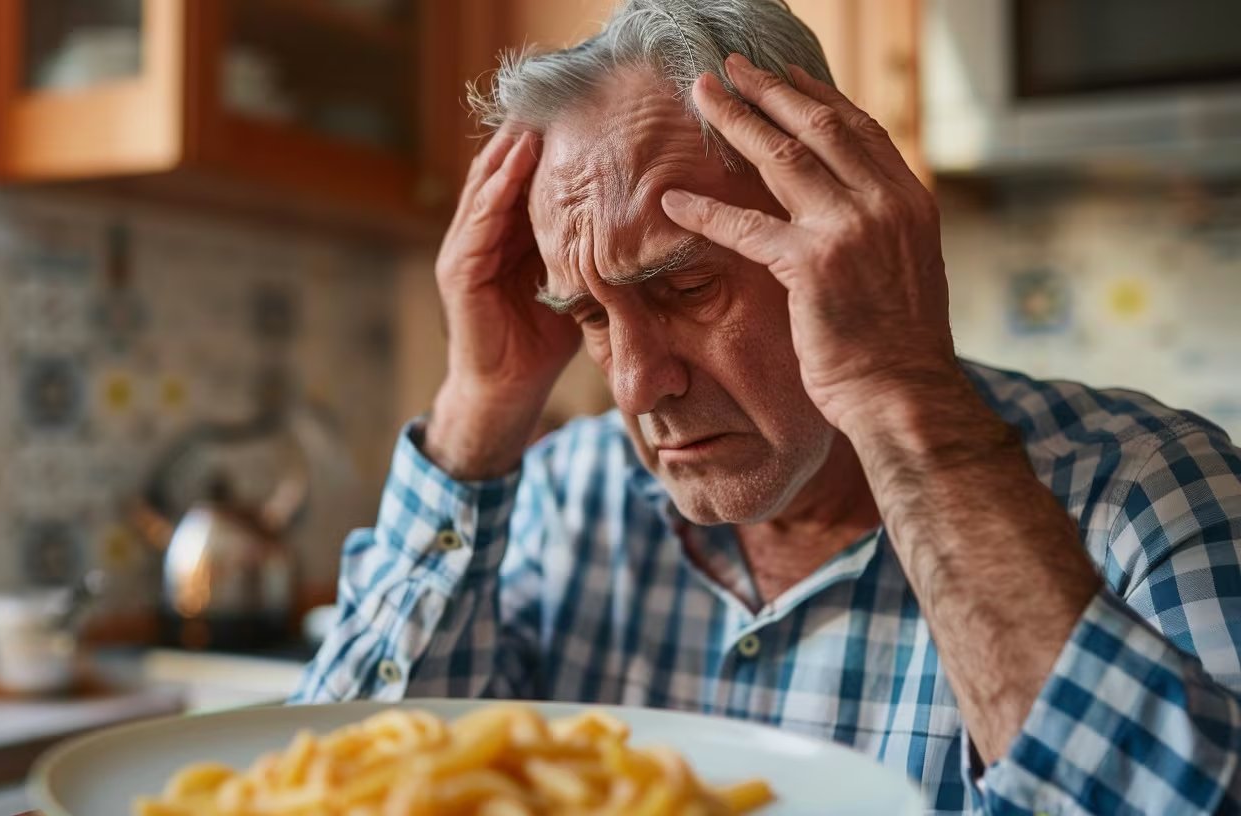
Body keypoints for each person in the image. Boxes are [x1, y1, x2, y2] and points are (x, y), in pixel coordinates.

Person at [292, 1, 1241, 812]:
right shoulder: (563, 495)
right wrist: (476, 409)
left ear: (841, 233)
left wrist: (900, 391)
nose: (632, 384)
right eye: (587, 313)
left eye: (687, 287)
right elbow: (327, 787)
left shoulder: (1148, 491)